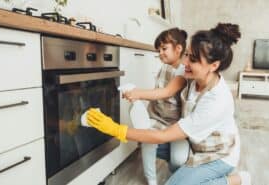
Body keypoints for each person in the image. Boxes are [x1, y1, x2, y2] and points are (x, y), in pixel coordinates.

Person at [86, 23, 251, 185]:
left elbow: (163, 136)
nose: (185, 62)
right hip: (196, 144)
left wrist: (115, 129)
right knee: (147, 143)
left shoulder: (217, 100)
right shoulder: (189, 75)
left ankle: (234, 180)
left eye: (192, 59)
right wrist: (137, 93)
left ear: (213, 66)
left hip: (218, 155)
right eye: (187, 55)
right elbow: (166, 91)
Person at [124, 27, 189, 185]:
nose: (160, 53)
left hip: (175, 125)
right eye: (158, 50)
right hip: (156, 118)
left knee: (178, 159)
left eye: (164, 48)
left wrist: (137, 93)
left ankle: (174, 174)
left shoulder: (183, 71)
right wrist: (137, 100)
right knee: (148, 141)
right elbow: (156, 92)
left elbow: (166, 92)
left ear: (178, 48)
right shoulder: (165, 66)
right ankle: (151, 180)